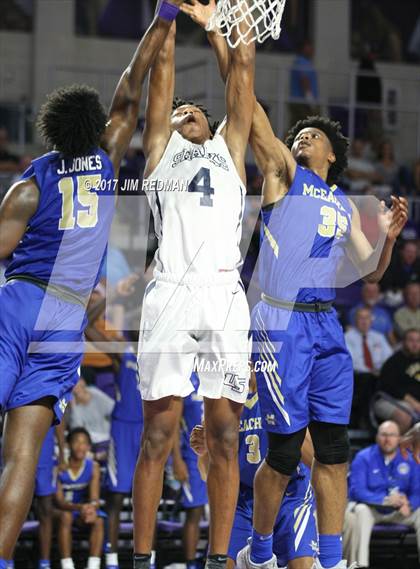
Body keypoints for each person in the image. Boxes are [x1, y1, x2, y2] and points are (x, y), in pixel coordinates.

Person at [180, 3, 408, 568]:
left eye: (310, 135)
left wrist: (392, 238)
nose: (300, 137)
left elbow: (370, 272)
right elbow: (247, 104)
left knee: (332, 450)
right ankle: (260, 551)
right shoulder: (283, 172)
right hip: (279, 319)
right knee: (283, 452)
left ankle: (331, 561)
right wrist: (222, 38)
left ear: (333, 153)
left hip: (324, 322)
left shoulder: (344, 208)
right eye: (298, 133)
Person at [0, 4, 184, 565]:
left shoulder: (29, 186)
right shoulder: (106, 160)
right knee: (23, 456)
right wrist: (164, 18)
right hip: (64, 320)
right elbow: (131, 87)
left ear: (52, 130)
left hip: (21, 301)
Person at [133, 3, 255, 569]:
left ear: (209, 124)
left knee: (225, 437)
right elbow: (161, 78)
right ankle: (140, 556)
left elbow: (242, 79)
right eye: (178, 111)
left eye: (191, 111)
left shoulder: (230, 151)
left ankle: (221, 557)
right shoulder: (161, 151)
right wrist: (171, 16)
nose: (182, 112)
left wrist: (220, 26)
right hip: (172, 292)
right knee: (158, 436)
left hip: (223, 294)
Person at [190, 373, 317, 569]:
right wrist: (204, 452)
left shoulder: (284, 395)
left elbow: (315, 460)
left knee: (302, 565)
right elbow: (206, 474)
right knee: (221, 564)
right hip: (242, 499)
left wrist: (289, 426)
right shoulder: (220, 405)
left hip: (290, 495)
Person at [343, 420, 420, 568]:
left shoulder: (410, 458)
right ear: (377, 437)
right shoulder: (363, 457)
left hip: (402, 512)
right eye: (384, 434)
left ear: (399, 438)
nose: (387, 439)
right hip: (373, 510)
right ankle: (360, 565)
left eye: (392, 435)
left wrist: (409, 505)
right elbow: (356, 491)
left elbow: (418, 490)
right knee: (360, 510)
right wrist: (385, 500)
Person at [104, 347, 143, 569]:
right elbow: (90, 329)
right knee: (116, 497)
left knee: (148, 495)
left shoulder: (158, 350)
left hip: (147, 426)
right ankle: (111, 556)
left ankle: (148, 555)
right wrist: (97, 308)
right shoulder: (123, 354)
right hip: (122, 428)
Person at [55, 428, 105, 569]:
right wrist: (79, 508)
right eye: (76, 442)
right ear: (68, 445)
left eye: (84, 443)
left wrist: (91, 508)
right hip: (61, 512)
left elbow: (95, 498)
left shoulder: (93, 466)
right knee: (66, 516)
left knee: (99, 520)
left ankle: (93, 565)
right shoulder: (59, 467)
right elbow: (58, 501)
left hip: (81, 511)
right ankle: (67, 564)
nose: (80, 447)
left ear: (89, 447)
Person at [172, 374, 208, 569]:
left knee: (224, 509)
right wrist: (177, 460)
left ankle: (214, 557)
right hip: (191, 455)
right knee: (194, 511)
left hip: (219, 454)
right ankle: (190, 562)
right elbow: (174, 425)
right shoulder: (185, 378)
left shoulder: (218, 373)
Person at [345, 306, 393, 428]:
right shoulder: (347, 337)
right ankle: (366, 420)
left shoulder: (379, 337)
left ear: (372, 321)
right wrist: (372, 372)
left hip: (378, 376)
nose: (364, 321)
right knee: (367, 379)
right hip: (357, 377)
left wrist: (380, 371)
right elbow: (351, 362)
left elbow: (389, 358)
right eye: (361, 318)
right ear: (355, 321)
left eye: (367, 318)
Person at [374, 328, 420, 433]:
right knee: (405, 415)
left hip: (415, 403)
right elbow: (390, 387)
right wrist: (415, 404)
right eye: (411, 340)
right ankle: (396, 447)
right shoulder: (394, 361)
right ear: (403, 342)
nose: (415, 344)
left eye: (418, 340)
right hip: (389, 400)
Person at [34, 425, 65, 569]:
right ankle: (7, 560)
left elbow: (61, 416)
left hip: (46, 449)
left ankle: (44, 562)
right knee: (13, 507)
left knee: (46, 509)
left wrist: (62, 451)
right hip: (18, 443)